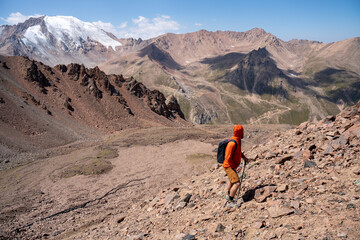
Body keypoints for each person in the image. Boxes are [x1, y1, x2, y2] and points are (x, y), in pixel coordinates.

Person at [223, 125, 249, 208]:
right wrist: (235, 167)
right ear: (240, 132)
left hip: (232, 166)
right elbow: (227, 157)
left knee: (232, 180)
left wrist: (244, 157)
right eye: (242, 132)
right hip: (229, 166)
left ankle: (228, 195)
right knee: (237, 183)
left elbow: (238, 152)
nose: (243, 133)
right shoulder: (232, 143)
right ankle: (230, 202)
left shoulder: (237, 141)